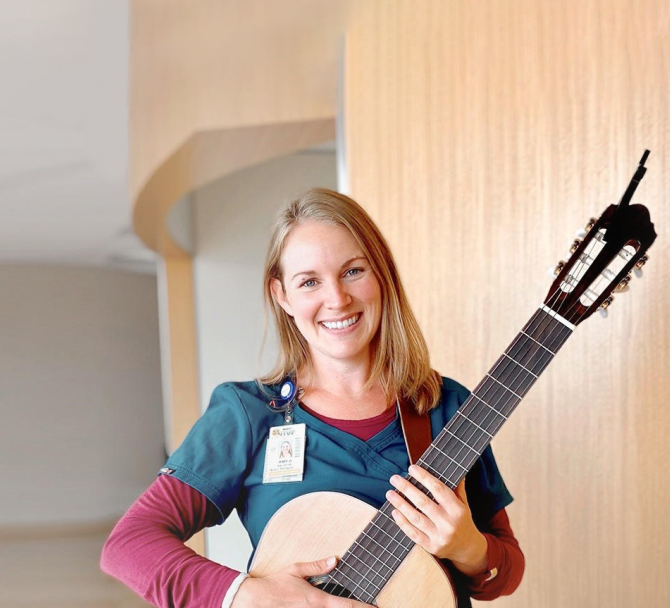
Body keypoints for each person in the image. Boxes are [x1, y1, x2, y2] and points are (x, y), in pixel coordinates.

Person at [100, 189, 524, 607]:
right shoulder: (247, 414)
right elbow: (129, 546)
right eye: (309, 282)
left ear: (383, 275)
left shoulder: (447, 405)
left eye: (354, 271)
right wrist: (251, 596)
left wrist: (469, 549)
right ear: (281, 295)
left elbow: (502, 575)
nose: (337, 299)